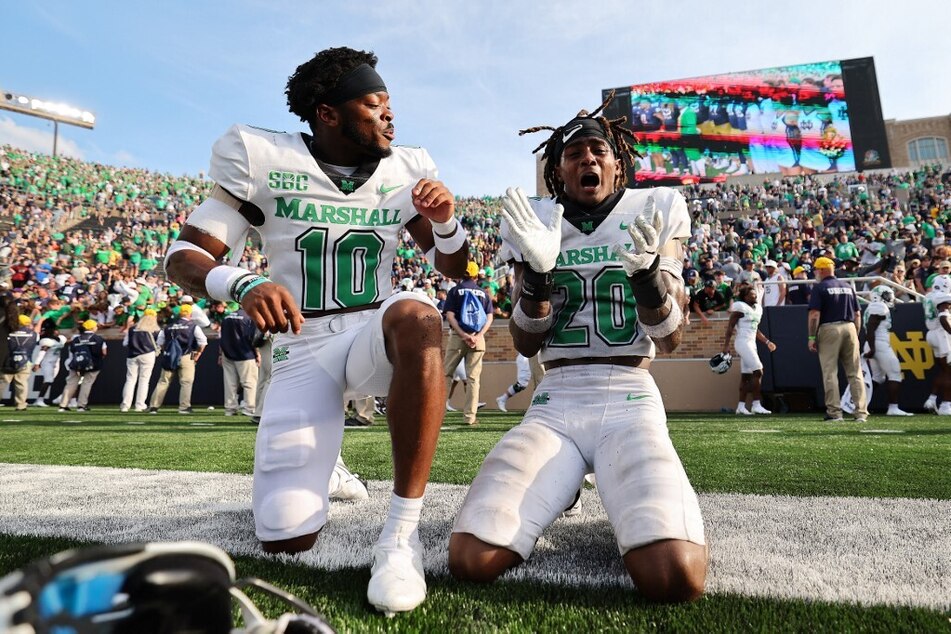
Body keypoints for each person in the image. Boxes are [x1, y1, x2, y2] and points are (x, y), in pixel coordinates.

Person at [161, 46, 468, 615]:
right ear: (328, 114)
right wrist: (242, 284)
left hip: (374, 335)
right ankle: (327, 464)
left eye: (389, 104)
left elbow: (453, 268)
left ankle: (401, 536)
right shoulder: (260, 157)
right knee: (285, 538)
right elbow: (183, 256)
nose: (389, 116)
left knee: (419, 313)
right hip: (304, 348)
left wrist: (447, 223)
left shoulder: (408, 168)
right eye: (374, 105)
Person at [448, 97, 707, 602]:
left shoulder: (654, 208)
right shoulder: (537, 218)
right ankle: (562, 487)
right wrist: (540, 278)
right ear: (558, 169)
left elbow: (669, 337)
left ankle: (616, 494)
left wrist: (648, 279)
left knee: (674, 576)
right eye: (574, 153)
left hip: (631, 397)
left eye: (598, 150)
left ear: (617, 163)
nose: (587, 159)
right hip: (556, 402)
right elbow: (525, 339)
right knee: (471, 560)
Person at [807, 256, 868, 422]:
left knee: (830, 373)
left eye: (816, 270)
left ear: (821, 269)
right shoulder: (848, 286)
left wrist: (811, 336)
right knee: (855, 372)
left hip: (829, 328)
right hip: (850, 327)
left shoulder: (820, 288)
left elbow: (814, 314)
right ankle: (861, 412)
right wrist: (855, 332)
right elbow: (857, 313)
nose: (815, 273)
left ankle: (835, 413)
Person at [442, 262, 494, 426]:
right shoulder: (483, 294)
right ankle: (470, 417)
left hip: (458, 337)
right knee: (473, 379)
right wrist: (478, 336)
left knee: (446, 375)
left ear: (461, 274)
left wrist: (463, 335)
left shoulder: (454, 291)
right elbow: (489, 317)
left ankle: (437, 415)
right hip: (478, 340)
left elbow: (450, 316)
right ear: (476, 275)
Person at [722, 284, 776, 415]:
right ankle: (756, 404)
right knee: (758, 371)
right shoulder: (740, 307)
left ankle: (741, 407)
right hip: (742, 342)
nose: (755, 296)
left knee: (746, 376)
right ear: (745, 297)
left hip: (752, 343)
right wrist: (726, 345)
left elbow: (755, 329)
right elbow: (730, 327)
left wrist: (767, 342)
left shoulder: (757, 309)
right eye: (752, 294)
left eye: (755, 294)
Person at [148, 303, 207, 415]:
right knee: (186, 382)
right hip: (187, 355)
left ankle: (153, 406)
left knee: (163, 381)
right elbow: (203, 342)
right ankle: (184, 407)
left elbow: (160, 343)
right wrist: (198, 353)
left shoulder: (168, 327)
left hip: (170, 356)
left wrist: (169, 351)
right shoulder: (193, 326)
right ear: (190, 314)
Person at [862, 286, 912, 416]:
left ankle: (860, 404)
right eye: (886, 294)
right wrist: (873, 348)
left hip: (874, 343)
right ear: (878, 295)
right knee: (895, 372)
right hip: (878, 343)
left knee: (877, 378)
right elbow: (871, 327)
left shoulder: (874, 306)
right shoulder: (879, 306)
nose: (890, 297)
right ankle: (893, 408)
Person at [58, 320, 108, 413]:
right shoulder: (98, 339)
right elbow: (104, 352)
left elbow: (72, 351)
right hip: (93, 364)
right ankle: (81, 406)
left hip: (77, 364)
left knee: (71, 383)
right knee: (87, 384)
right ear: (93, 328)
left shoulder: (76, 339)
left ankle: (63, 405)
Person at [218, 308, 259, 417]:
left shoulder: (226, 317)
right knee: (249, 383)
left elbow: (221, 337)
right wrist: (257, 354)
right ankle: (249, 408)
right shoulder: (250, 317)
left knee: (229, 383)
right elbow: (253, 337)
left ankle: (230, 409)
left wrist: (220, 354)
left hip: (227, 353)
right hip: (246, 353)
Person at [119, 308, 160, 413]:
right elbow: (160, 343)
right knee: (144, 381)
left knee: (130, 380)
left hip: (132, 355)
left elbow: (125, 343)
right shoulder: (155, 329)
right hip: (148, 355)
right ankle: (140, 405)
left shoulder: (132, 329)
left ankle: (125, 405)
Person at [922, 276, 951, 415]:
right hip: (942, 334)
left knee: (945, 370)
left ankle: (932, 399)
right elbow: (944, 317)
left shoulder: (929, 296)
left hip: (932, 333)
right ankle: (946, 404)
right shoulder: (943, 297)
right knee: (949, 371)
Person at [1, 315, 38, 410]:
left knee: (2, 382)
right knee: (22, 383)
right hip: (26, 360)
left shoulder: (8, 333)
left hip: (8, 360)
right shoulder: (34, 334)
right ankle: (21, 405)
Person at [31, 333, 66, 407]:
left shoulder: (61, 339)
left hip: (56, 363)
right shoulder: (47, 341)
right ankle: (39, 400)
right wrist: (37, 363)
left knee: (50, 380)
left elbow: (69, 341)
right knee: (48, 380)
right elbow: (42, 352)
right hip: (48, 362)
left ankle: (61, 398)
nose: (57, 331)